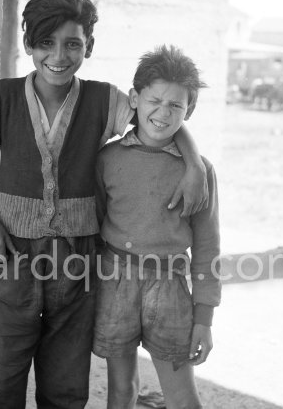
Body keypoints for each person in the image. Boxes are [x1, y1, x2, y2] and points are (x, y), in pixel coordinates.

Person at [0, 0, 208, 409]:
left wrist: (194, 164)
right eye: (46, 43)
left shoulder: (103, 100)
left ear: (89, 46)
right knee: (4, 376)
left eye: (73, 43)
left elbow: (159, 116)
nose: (58, 55)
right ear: (29, 44)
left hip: (80, 264)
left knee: (66, 383)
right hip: (15, 256)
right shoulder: (1, 97)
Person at [93, 45, 221, 409]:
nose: (162, 113)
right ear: (134, 99)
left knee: (182, 397)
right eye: (154, 100)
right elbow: (100, 221)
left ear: (189, 111)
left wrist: (204, 319)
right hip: (114, 282)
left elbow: (208, 250)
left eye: (176, 106)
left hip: (171, 290)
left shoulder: (200, 173)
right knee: (121, 391)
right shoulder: (108, 159)